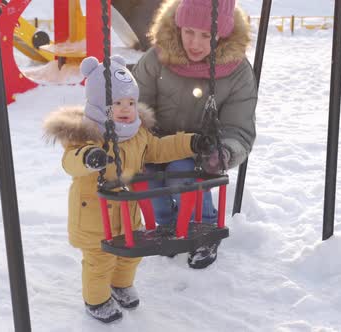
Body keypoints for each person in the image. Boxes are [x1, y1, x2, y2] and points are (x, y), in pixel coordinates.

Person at [43, 55, 215, 323]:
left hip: (127, 213)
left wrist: (191, 143)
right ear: (100, 104)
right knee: (100, 261)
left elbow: (158, 149)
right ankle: (96, 299)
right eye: (117, 103)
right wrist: (89, 157)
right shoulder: (85, 135)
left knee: (129, 257)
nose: (125, 108)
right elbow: (70, 161)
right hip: (94, 214)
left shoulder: (137, 133)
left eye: (131, 102)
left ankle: (121, 285)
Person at [132, 0, 257, 269]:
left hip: (199, 149)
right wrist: (139, 139)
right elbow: (136, 105)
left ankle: (204, 227)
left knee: (184, 170)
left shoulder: (237, 72)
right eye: (189, 31)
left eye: (205, 35)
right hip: (156, 142)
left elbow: (239, 127)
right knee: (148, 174)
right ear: (178, 25)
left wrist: (225, 151)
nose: (195, 43)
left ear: (221, 33)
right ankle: (166, 224)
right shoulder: (156, 58)